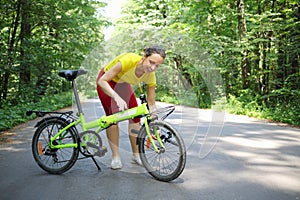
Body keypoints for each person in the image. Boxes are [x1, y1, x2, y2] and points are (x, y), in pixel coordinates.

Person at [96, 45, 166, 169]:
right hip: (107, 81)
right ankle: (116, 157)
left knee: (135, 116)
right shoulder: (128, 60)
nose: (153, 68)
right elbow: (102, 81)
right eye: (151, 62)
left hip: (123, 84)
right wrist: (116, 98)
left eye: (157, 66)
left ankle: (136, 155)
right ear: (144, 56)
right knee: (112, 118)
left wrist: (155, 123)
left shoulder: (151, 75)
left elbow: (151, 103)